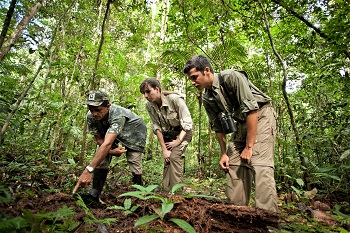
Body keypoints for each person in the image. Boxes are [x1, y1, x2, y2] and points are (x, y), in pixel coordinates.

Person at [183, 55, 278, 212]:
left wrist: (249, 147)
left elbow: (252, 110)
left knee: (260, 166)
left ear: (206, 70)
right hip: (241, 122)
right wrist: (223, 153)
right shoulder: (207, 97)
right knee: (232, 165)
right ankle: (238, 215)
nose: (193, 82)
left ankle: (268, 221)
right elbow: (218, 127)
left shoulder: (231, 77)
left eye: (194, 77)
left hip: (260, 116)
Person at [72, 90, 147, 202]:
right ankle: (94, 194)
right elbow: (100, 140)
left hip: (134, 132)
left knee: (133, 159)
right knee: (101, 156)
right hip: (111, 132)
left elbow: (107, 143)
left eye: (98, 110)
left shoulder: (118, 115)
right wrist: (111, 151)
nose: (94, 113)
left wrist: (88, 169)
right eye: (91, 110)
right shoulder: (90, 117)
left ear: (108, 106)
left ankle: (141, 195)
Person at [140, 78, 193, 191]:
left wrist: (178, 141)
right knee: (168, 158)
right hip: (169, 133)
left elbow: (188, 123)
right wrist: (164, 149)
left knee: (174, 156)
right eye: (143, 93)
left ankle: (178, 193)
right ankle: (167, 191)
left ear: (157, 89)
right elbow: (157, 128)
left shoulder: (174, 99)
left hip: (184, 132)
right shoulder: (149, 105)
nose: (145, 95)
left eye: (148, 91)